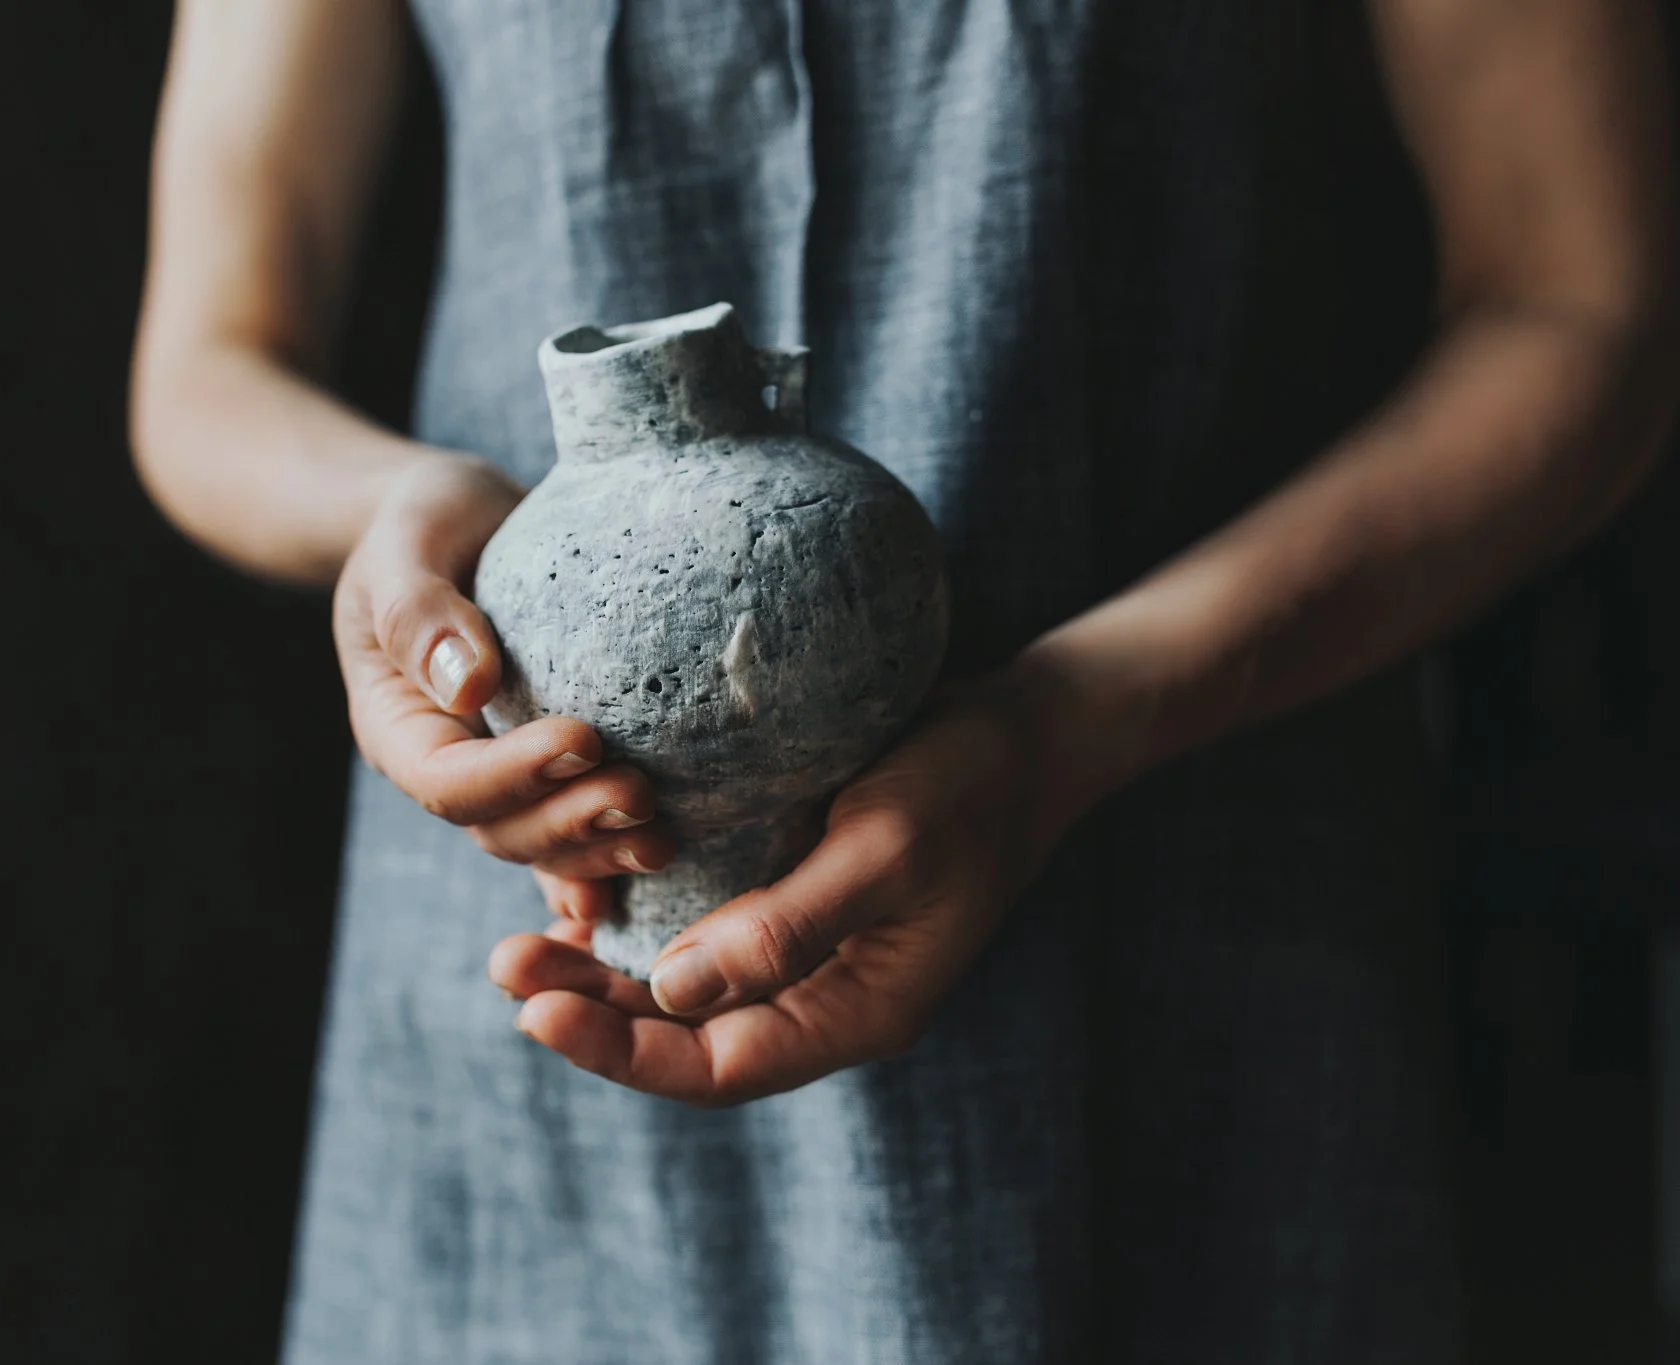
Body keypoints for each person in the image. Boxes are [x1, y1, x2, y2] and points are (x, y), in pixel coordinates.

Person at [131, 1, 1676, 1359]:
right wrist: (400, 527)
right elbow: (211, 354)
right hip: (536, 937)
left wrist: (1081, 712)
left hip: (1185, 908)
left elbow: (1581, 308)